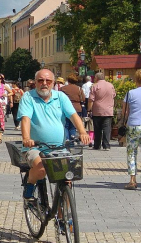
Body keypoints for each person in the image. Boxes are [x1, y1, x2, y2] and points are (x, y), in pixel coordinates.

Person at [18, 70, 90, 228]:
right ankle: (29, 186)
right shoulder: (29, 97)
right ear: (35, 82)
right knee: (41, 168)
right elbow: (25, 119)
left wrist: (83, 132)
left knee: (67, 179)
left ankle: (61, 218)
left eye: (48, 81)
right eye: (41, 80)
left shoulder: (61, 97)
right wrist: (26, 138)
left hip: (58, 147)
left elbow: (73, 116)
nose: (44, 83)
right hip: (35, 146)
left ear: (54, 83)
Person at [88, 72, 116, 151]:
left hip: (97, 110)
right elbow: (114, 95)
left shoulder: (95, 86)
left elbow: (91, 100)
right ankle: (106, 145)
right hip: (108, 110)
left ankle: (97, 145)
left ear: (96, 78)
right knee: (107, 128)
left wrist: (89, 109)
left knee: (97, 128)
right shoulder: (111, 85)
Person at [60, 73, 85, 140]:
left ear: (68, 80)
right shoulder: (79, 89)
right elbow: (83, 99)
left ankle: (67, 140)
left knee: (66, 125)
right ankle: (72, 140)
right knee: (73, 126)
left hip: (65, 108)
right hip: (77, 108)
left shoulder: (63, 88)